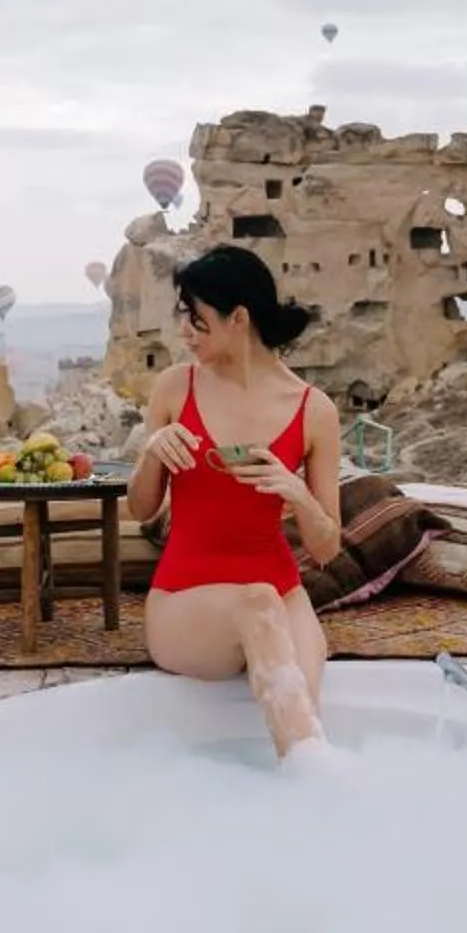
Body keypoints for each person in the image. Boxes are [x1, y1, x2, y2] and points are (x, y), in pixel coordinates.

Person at [125, 246, 346, 765]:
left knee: (304, 723)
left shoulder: (314, 411)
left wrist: (297, 493)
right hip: (185, 600)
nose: (185, 332)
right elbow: (141, 510)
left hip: (281, 595)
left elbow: (327, 548)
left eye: (197, 318)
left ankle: (310, 793)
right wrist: (152, 452)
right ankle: (321, 786)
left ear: (239, 318)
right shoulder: (175, 387)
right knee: (257, 605)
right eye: (183, 316)